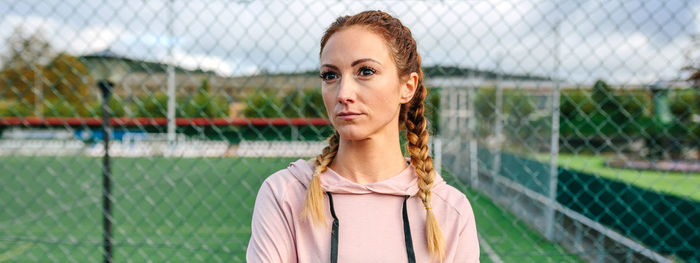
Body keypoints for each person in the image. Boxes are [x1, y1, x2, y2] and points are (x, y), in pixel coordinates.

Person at [247, 10, 479, 263]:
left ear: (407, 87)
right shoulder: (285, 195)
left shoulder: (450, 209)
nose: (343, 93)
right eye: (330, 75)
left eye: (365, 71)